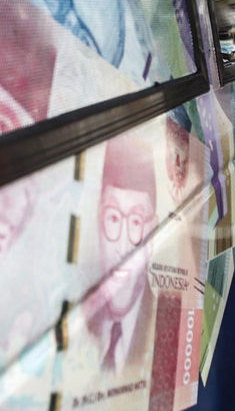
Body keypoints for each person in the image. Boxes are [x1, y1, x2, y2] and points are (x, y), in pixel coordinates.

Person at [85, 131, 158, 373]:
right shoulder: (79, 315)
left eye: (136, 222)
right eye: (113, 218)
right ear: (98, 219)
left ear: (153, 231)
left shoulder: (162, 327)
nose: (123, 246)